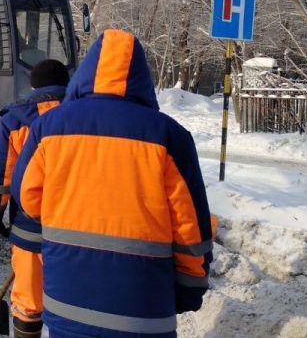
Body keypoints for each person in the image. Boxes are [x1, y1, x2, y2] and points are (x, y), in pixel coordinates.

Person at [11, 29, 213, 337]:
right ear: (142, 79)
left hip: (67, 301)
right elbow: (190, 227)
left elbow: (27, 197)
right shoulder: (169, 137)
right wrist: (190, 285)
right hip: (144, 311)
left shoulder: (49, 127)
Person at [0, 59, 70, 338]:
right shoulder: (85, 116)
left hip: (31, 229)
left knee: (29, 303)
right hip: (79, 231)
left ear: (33, 87)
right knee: (73, 305)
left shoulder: (16, 119)